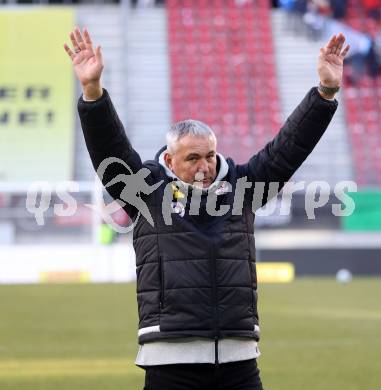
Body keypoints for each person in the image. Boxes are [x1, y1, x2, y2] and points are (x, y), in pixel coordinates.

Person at [64, 27, 349, 390]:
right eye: (193, 157)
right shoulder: (146, 192)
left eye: (210, 155)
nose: (204, 165)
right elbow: (111, 150)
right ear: (169, 159)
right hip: (171, 360)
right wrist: (92, 92)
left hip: (239, 359)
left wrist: (325, 92)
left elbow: (287, 149)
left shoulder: (243, 188)